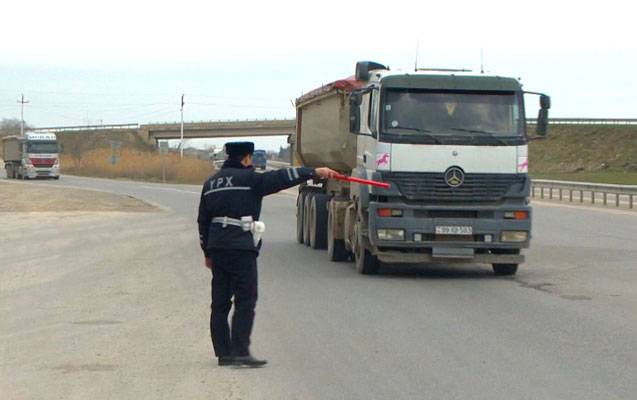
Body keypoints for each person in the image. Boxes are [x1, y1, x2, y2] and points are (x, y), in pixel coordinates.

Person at [197, 141, 337, 368]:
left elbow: (202, 220)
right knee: (245, 299)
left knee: (220, 302)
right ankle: (241, 351)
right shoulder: (251, 179)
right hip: (241, 246)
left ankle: (224, 353)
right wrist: (313, 172)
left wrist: (207, 252)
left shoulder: (211, 182)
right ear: (246, 158)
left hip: (217, 247)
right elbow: (283, 177)